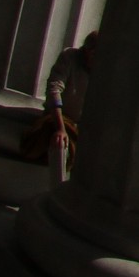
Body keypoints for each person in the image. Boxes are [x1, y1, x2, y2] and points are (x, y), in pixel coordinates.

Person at [24, 31, 99, 182]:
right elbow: (54, 90)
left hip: (83, 125)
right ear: (89, 52)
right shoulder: (70, 57)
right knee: (62, 143)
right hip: (60, 119)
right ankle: (57, 190)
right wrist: (60, 128)